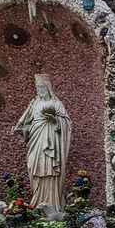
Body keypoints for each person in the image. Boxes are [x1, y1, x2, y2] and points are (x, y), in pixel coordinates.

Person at [13, 74, 72, 212]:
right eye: (38, 87)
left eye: (42, 86)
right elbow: (28, 123)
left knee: (50, 168)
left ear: (48, 87)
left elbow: (67, 124)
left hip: (52, 139)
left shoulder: (56, 104)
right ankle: (38, 199)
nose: (39, 89)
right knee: (33, 164)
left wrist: (55, 121)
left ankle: (52, 203)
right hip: (36, 139)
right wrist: (22, 131)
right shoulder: (35, 104)